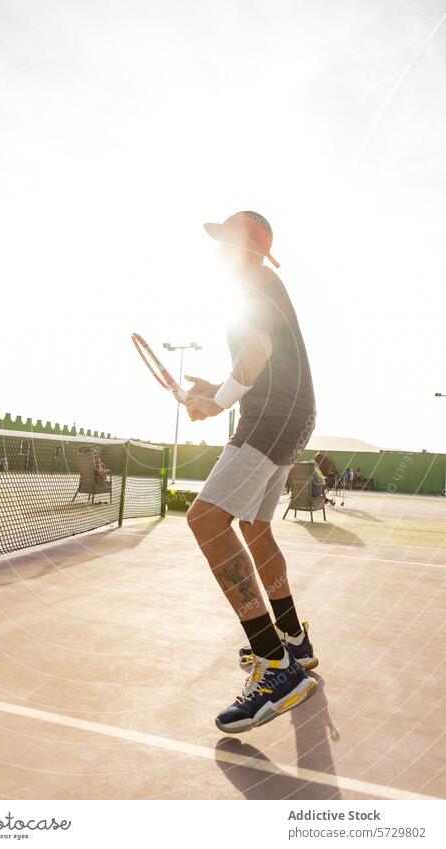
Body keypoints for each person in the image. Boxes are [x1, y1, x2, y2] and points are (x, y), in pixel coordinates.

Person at [185, 210, 318, 733]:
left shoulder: (251, 282)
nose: (217, 249)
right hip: (295, 414)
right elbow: (259, 356)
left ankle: (275, 665)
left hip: (271, 416)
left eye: (224, 240)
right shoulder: (265, 282)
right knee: (255, 527)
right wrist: (218, 387)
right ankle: (293, 640)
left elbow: (258, 350)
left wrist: (217, 402)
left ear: (244, 245)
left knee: (205, 521)